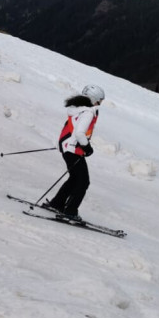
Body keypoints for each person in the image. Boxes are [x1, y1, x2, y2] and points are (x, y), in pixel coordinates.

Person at [44, 84, 105, 221]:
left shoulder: (78, 109)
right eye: (100, 100)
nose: (100, 103)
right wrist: (87, 147)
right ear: (94, 99)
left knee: (74, 178)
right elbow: (79, 133)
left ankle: (57, 203)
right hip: (74, 150)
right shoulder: (88, 112)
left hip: (69, 149)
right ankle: (70, 211)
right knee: (83, 182)